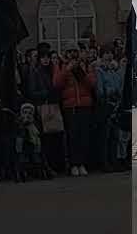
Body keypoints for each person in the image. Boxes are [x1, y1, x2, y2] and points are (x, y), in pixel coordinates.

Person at [53, 43, 96, 177]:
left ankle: (82, 163)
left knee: (83, 136)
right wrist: (67, 70)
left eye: (74, 51)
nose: (72, 54)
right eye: (69, 51)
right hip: (70, 106)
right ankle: (73, 164)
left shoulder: (85, 65)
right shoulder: (61, 66)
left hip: (84, 105)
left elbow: (92, 83)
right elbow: (56, 83)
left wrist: (81, 73)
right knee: (72, 136)